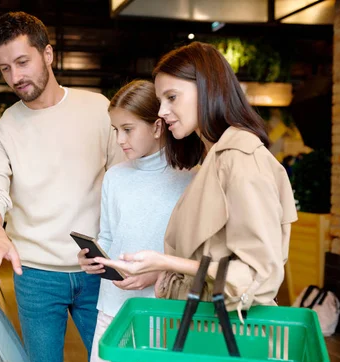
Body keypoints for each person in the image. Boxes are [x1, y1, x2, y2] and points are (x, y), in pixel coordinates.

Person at [0, 11, 124, 362]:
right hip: (35, 274)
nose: (15, 76)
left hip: (99, 267)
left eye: (23, 62)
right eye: (5, 68)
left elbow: (126, 181)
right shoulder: (1, 130)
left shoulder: (97, 109)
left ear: (48, 54)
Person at [95, 42, 298, 321]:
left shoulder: (240, 158)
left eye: (172, 97)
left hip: (223, 331)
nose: (162, 111)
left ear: (207, 88)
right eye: (161, 99)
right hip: (200, 324)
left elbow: (257, 273)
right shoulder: (212, 159)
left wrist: (166, 262)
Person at [77, 80, 194, 362]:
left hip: (164, 310)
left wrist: (159, 272)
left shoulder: (191, 177)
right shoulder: (114, 177)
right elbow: (108, 236)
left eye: (127, 129)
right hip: (112, 308)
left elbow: (195, 253)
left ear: (157, 126)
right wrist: (94, 259)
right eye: (115, 130)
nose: (119, 139)